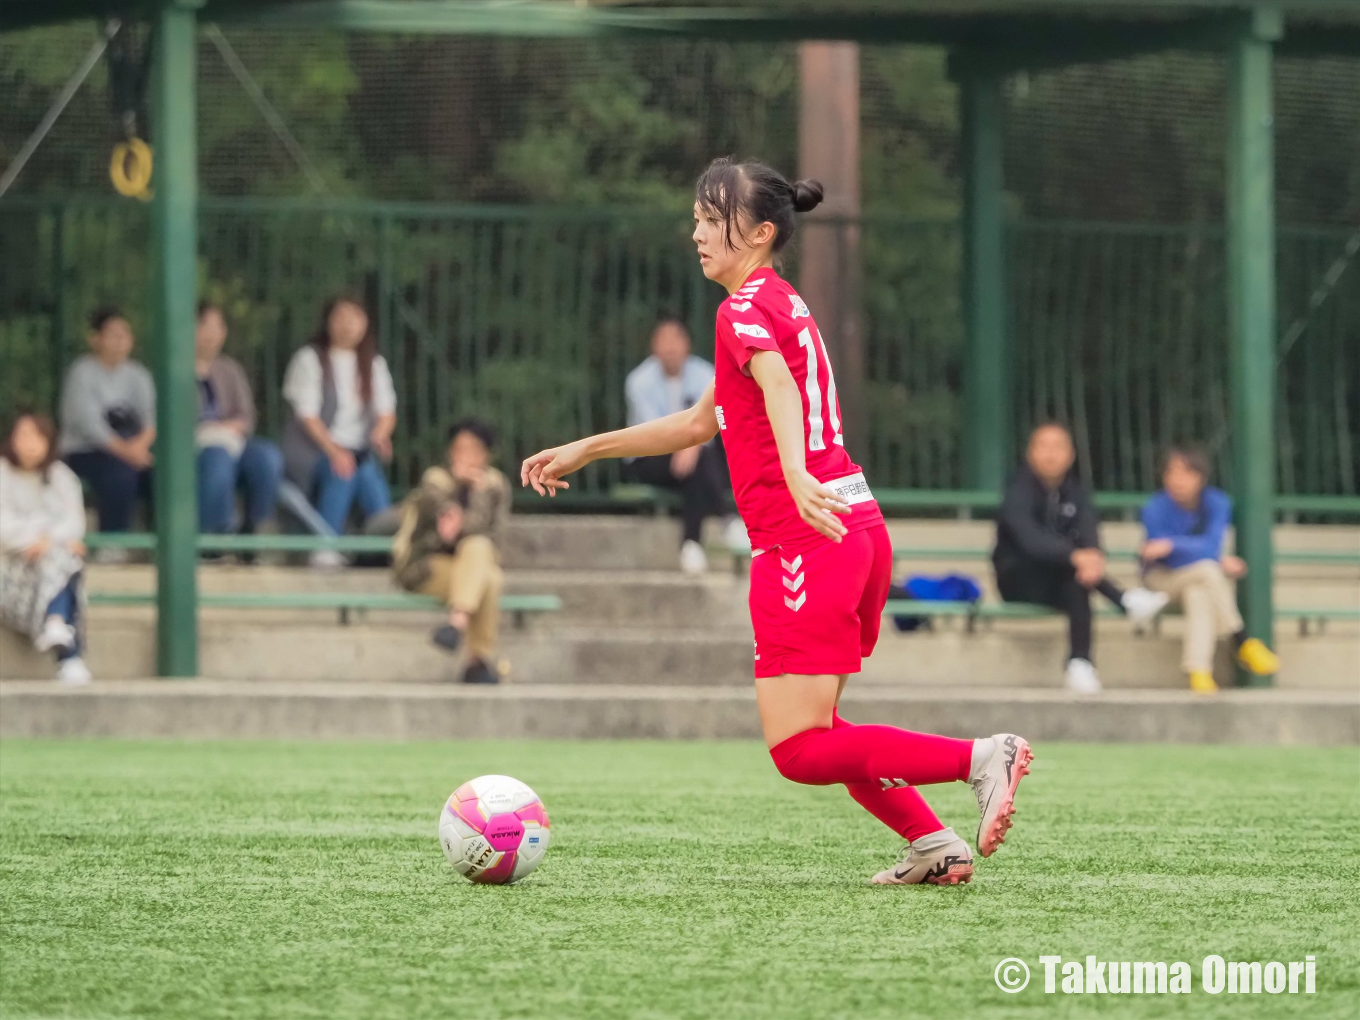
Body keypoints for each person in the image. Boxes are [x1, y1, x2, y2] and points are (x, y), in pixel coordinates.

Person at [522, 156, 1033, 887]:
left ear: (761, 233)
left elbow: (779, 385)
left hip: (805, 537)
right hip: (852, 527)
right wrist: (589, 447)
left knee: (798, 750)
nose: (697, 232)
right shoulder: (777, 301)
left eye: (712, 219)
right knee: (823, 732)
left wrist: (793, 471)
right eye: (697, 218)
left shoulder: (740, 311)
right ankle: (933, 844)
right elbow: (701, 423)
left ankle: (981, 758)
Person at [993, 422, 1169, 693]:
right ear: (1030, 453)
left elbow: (1089, 530)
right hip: (1018, 580)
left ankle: (1080, 663)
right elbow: (1030, 541)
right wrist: (1075, 557)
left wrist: (1092, 558)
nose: (1051, 454)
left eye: (1058, 447)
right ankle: (1124, 600)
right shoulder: (1017, 491)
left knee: (1078, 582)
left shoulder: (1076, 491)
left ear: (1071, 455)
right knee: (1072, 569)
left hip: (1063, 580)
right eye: (1043, 446)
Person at [1140, 445, 1280, 693]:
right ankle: (1242, 640)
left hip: (1199, 578)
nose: (1178, 480)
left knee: (1199, 594)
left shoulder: (1217, 502)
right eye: (1171, 473)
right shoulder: (1154, 507)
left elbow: (1210, 545)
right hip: (1161, 580)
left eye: (1186, 473)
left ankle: (1199, 672)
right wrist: (1211, 557)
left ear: (1201, 477)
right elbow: (1165, 557)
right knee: (1208, 570)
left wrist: (1174, 545)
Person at [392, 418, 512, 685]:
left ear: (486, 455)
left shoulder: (494, 485)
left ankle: (457, 623)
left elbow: (492, 536)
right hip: (426, 567)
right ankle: (477, 662)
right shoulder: (436, 481)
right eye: (459, 449)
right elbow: (435, 535)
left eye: (473, 450)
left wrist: (476, 495)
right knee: (488, 577)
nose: (465, 456)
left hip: (472, 567)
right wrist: (456, 491)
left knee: (480, 552)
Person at [280, 296, 397, 567]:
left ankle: (383, 546)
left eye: (355, 317)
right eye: (341, 317)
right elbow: (307, 416)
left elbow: (387, 411)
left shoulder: (374, 364)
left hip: (359, 452)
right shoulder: (309, 359)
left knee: (366, 474)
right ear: (328, 322)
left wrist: (380, 434)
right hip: (313, 451)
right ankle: (327, 546)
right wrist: (335, 451)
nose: (348, 325)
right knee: (345, 469)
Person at [624, 318, 736, 573]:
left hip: (694, 453)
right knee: (701, 462)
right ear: (654, 347)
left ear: (688, 345)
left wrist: (691, 446)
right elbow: (654, 431)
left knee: (697, 467)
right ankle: (726, 519)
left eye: (676, 340)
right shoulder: (638, 381)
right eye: (664, 341)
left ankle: (691, 545)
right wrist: (690, 444)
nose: (670, 348)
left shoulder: (706, 374)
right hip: (649, 456)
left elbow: (711, 420)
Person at [1, 412, 92, 685]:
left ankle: (56, 623)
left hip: (50, 565)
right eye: (24, 436)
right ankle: (68, 654)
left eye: (37, 437)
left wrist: (48, 541)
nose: (30, 444)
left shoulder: (61, 476)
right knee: (68, 559)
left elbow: (75, 521)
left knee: (67, 557)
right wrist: (39, 537)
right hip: (9, 569)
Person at [59, 306, 155, 547]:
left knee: (164, 474)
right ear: (95, 339)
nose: (121, 340)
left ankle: (158, 545)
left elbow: (151, 419)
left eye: (125, 334)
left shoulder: (139, 374)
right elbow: (89, 425)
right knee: (119, 473)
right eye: (114, 334)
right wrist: (129, 453)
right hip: (86, 452)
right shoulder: (81, 373)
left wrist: (139, 448)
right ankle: (112, 545)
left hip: (134, 450)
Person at [194, 302, 284, 536]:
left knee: (267, 457)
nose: (212, 333)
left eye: (218, 327)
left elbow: (246, 415)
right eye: (204, 325)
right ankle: (218, 535)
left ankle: (257, 530)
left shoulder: (230, 369)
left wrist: (228, 427)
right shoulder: (174, 368)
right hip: (194, 447)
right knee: (218, 458)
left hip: (232, 440)